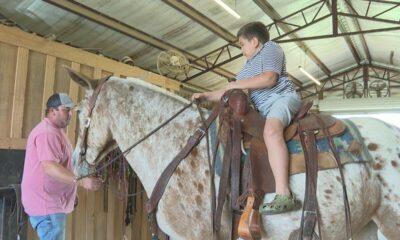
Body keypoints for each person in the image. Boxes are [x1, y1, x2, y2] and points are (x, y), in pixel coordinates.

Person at [192, 22, 302, 215]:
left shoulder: (271, 48)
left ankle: (284, 194)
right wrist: (206, 95)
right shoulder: (248, 67)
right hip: (263, 109)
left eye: (242, 44)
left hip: (281, 99)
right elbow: (230, 89)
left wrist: (237, 84)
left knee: (271, 131)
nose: (242, 50)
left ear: (255, 41)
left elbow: (270, 79)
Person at [21, 93, 102, 240]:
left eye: (71, 110)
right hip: (46, 202)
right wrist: (82, 182)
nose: (70, 114)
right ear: (53, 111)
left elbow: (62, 165)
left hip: (52, 200)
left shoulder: (56, 131)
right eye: (66, 110)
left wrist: (71, 191)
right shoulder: (47, 133)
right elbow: (50, 167)